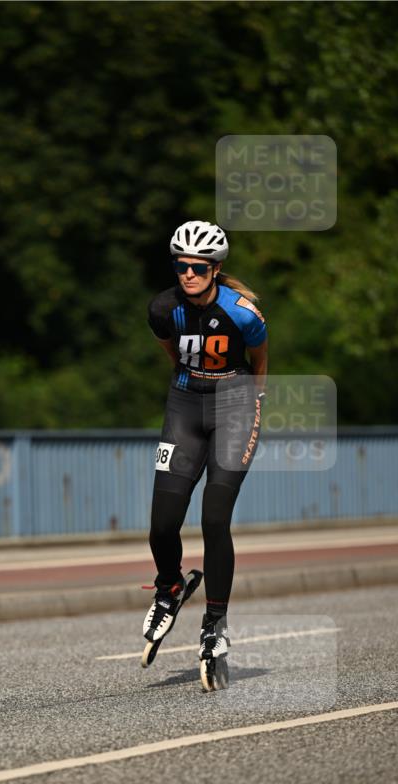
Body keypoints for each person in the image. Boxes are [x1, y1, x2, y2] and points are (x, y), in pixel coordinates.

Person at [143, 219, 268, 664]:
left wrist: (252, 399)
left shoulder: (243, 312)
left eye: (198, 267)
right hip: (185, 404)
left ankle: (215, 624)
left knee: (214, 519)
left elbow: (259, 359)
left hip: (235, 403)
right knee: (161, 523)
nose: (188, 274)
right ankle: (169, 587)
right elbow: (173, 354)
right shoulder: (162, 309)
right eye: (181, 266)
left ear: (215, 269)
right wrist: (194, 381)